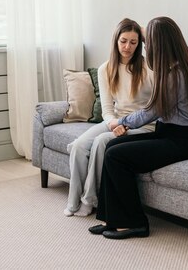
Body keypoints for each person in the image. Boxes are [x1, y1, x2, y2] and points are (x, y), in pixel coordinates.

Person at [88, 16, 188, 239]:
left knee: (117, 156)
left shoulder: (175, 75)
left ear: (160, 44)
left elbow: (151, 112)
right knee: (111, 146)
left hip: (180, 140)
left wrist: (119, 121)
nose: (145, 47)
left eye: (147, 42)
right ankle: (111, 219)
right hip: (177, 135)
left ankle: (134, 223)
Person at [64, 18, 155, 217]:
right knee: (79, 146)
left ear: (140, 43)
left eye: (133, 42)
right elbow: (107, 108)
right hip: (115, 120)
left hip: (144, 125)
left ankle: (90, 199)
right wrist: (114, 124)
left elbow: (158, 108)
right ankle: (73, 199)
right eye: (123, 41)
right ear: (115, 41)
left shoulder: (149, 69)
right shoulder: (106, 68)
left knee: (100, 142)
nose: (127, 47)